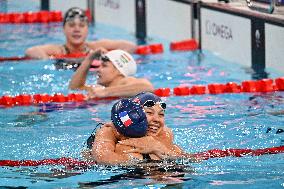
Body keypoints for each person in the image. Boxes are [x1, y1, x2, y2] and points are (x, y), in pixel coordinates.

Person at [86, 92, 196, 165]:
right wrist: (137, 162)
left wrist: (157, 147)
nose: (157, 120)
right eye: (149, 113)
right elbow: (102, 157)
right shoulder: (110, 130)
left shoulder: (164, 133)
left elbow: (188, 159)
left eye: (161, 115)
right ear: (134, 114)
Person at [25, 7, 137, 59]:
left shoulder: (95, 46)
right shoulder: (58, 50)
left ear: (87, 29)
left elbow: (130, 46)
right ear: (64, 28)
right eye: (72, 25)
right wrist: (49, 59)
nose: (77, 29)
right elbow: (31, 51)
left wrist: (109, 57)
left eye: (82, 25)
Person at [69, 49, 154, 99]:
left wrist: (105, 92)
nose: (98, 70)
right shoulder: (103, 88)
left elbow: (147, 87)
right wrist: (89, 58)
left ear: (119, 71)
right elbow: (75, 88)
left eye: (104, 66)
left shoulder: (125, 81)